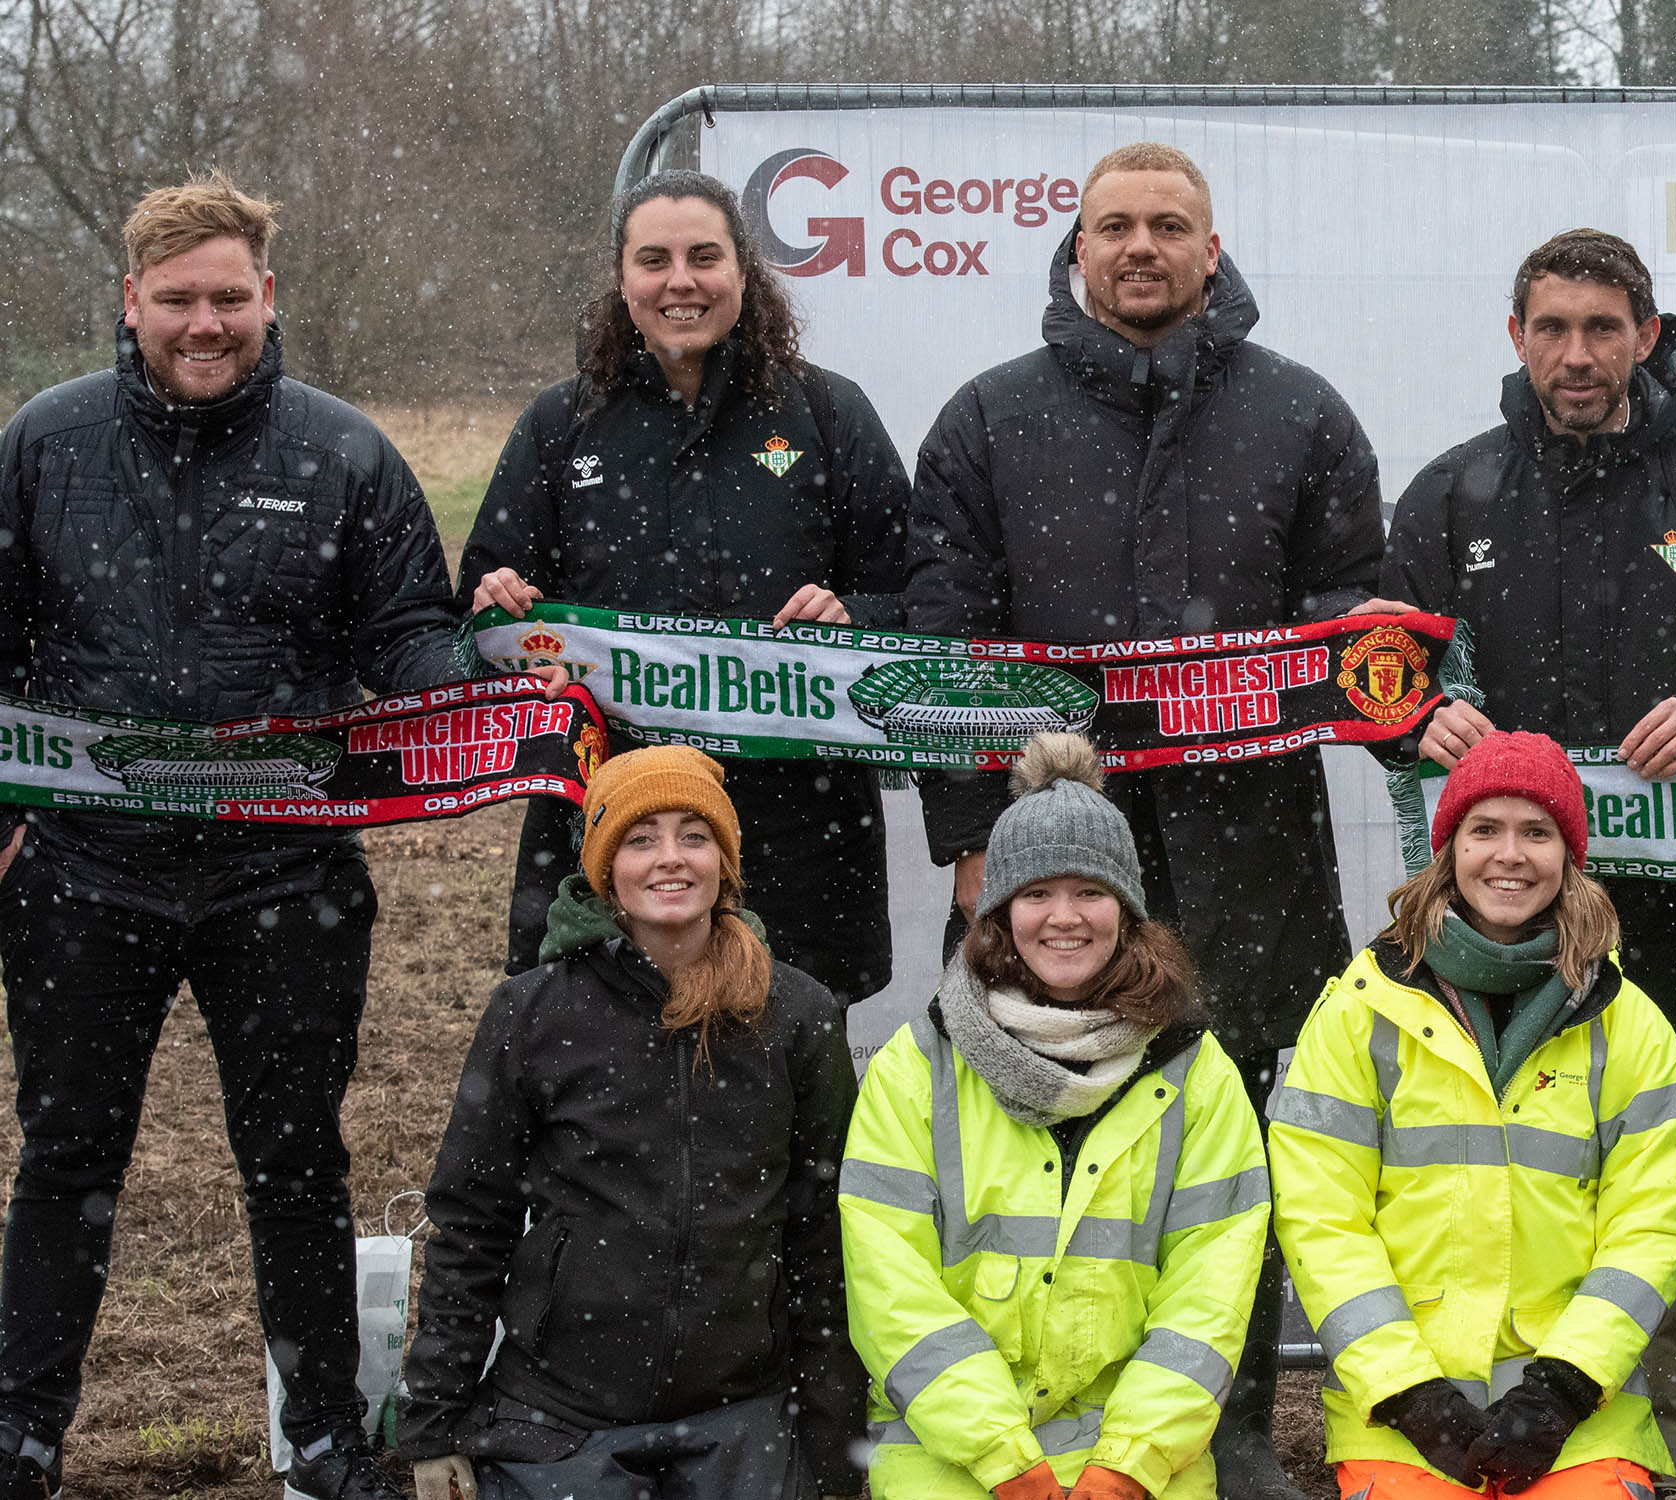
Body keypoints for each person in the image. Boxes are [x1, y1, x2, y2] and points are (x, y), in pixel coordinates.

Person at [904, 139, 1380, 1500]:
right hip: (1050, 851)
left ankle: (1220, 1432)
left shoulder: (1300, 415)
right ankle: (1047, 1425)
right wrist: (969, 838)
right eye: (1115, 225)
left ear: (1212, 249)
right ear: (1078, 247)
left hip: (1253, 850)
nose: (1141, 248)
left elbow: (1360, 615)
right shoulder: (990, 419)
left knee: (1233, 1146)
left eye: (1170, 225)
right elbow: (946, 644)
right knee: (1040, 1133)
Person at [0, 174, 462, 1500]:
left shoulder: (345, 453)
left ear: (270, 297)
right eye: (177, 300)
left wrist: (462, 688)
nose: (204, 324)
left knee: (297, 1155)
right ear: (130, 301)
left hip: (287, 872)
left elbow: (406, 630)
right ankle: (24, 1431)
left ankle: (321, 1432)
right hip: (86, 871)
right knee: (68, 1153)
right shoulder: (45, 443)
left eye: (228, 298)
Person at [1375, 227, 1676, 1491]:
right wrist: (1412, 710)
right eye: (1551, 327)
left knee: (1675, 1193)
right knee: (1500, 1183)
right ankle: (1497, 1436)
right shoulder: (1451, 491)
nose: (1576, 354)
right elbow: (1381, 677)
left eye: (1603, 328)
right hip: (1496, 916)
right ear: (1516, 337)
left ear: (1647, 338)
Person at [463, 168, 913, 1003]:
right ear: (623, 281)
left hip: (801, 822)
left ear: (744, 271)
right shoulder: (562, 425)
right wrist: (505, 629)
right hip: (609, 813)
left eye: (704, 257)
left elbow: (920, 593)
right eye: (654, 259)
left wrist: (860, 613)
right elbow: (483, 604)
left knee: (789, 1076)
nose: (681, 281)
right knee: (604, 1078)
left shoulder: (827, 414)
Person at [397, 746, 860, 1499]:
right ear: (605, 868)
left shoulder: (797, 1013)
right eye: (641, 839)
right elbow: (471, 1225)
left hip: (744, 1411)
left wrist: (834, 1446)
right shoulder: (533, 1012)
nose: (669, 859)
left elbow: (823, 1235)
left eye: (693, 835)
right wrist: (435, 1422)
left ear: (725, 861)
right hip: (561, 1416)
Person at [1268, 731, 1676, 1500]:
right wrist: (1408, 1392)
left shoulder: (1629, 1025)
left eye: (1537, 832)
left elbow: (1654, 1225)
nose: (1510, 855)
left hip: (1580, 1419)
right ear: (1449, 850)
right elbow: (1320, 1217)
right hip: (1398, 1417)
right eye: (1485, 830)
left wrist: (1565, 1389)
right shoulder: (1357, 1010)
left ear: (1569, 856)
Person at [841, 733, 1270, 1500]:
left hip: (1139, 1455)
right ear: (1000, 913)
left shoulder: (1195, 1071)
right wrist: (1008, 1463)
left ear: (1129, 911)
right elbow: (890, 1287)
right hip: (948, 1449)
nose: (1063, 918)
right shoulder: (919, 1065)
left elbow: (1212, 1292)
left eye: (1090, 893)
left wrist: (1127, 1464)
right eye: (1037, 893)